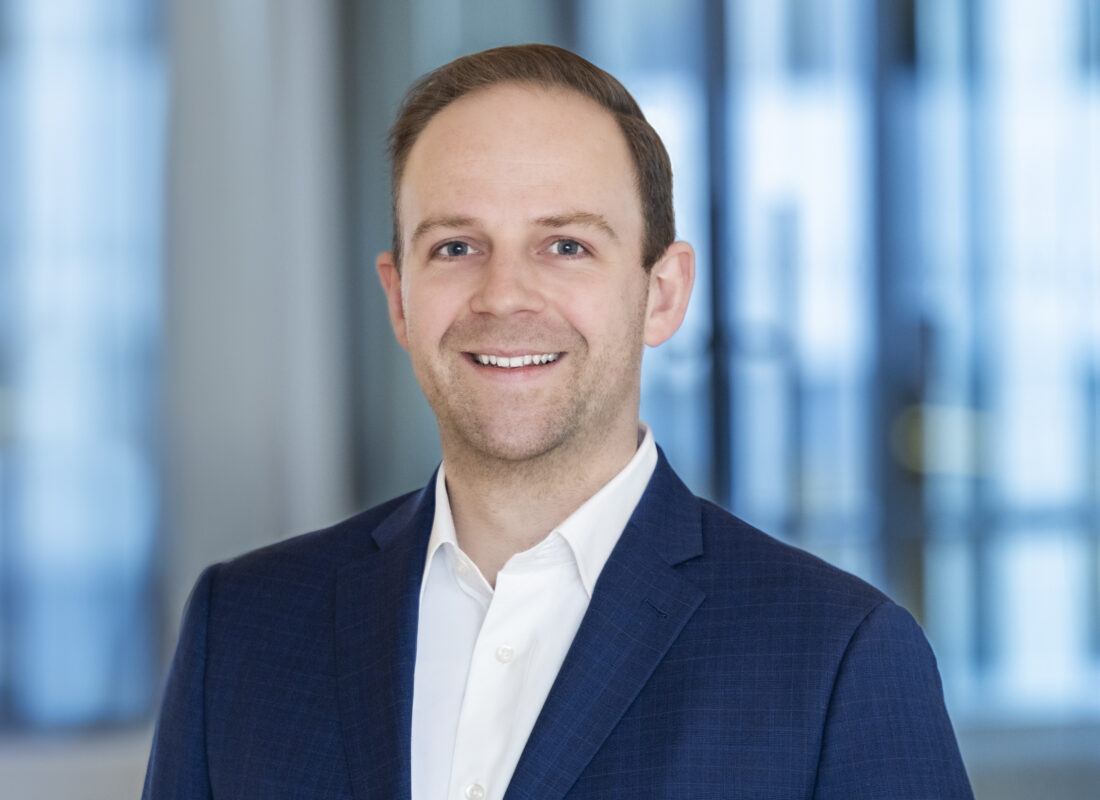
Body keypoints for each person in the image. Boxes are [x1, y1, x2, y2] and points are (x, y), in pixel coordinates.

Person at [143, 44, 973, 799]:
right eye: (456, 247)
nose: (504, 296)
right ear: (398, 297)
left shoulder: (835, 658)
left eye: (566, 246)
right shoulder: (242, 630)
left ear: (663, 294)